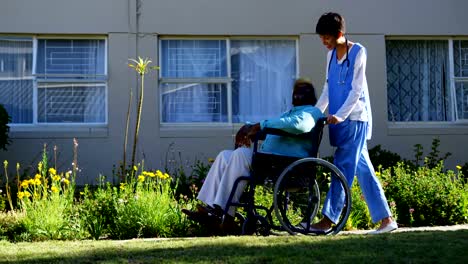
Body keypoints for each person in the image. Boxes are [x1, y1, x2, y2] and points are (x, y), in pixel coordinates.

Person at [182, 79, 324, 229]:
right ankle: (209, 208)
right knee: (225, 155)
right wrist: (249, 128)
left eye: (302, 90)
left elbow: (299, 125)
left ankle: (225, 213)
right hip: (270, 162)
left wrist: (261, 125)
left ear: (310, 96)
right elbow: (277, 128)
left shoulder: (312, 112)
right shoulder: (289, 113)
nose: (297, 94)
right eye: (296, 90)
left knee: (241, 154)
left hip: (287, 166)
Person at [312, 12, 397, 234]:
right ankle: (387, 220)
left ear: (339, 34)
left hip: (355, 119)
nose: (323, 42)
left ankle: (329, 220)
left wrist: (340, 115)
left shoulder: (359, 52)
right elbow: (327, 90)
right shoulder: (330, 56)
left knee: (341, 167)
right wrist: (313, 114)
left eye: (327, 37)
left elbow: (356, 90)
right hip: (339, 122)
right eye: (321, 37)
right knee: (364, 169)